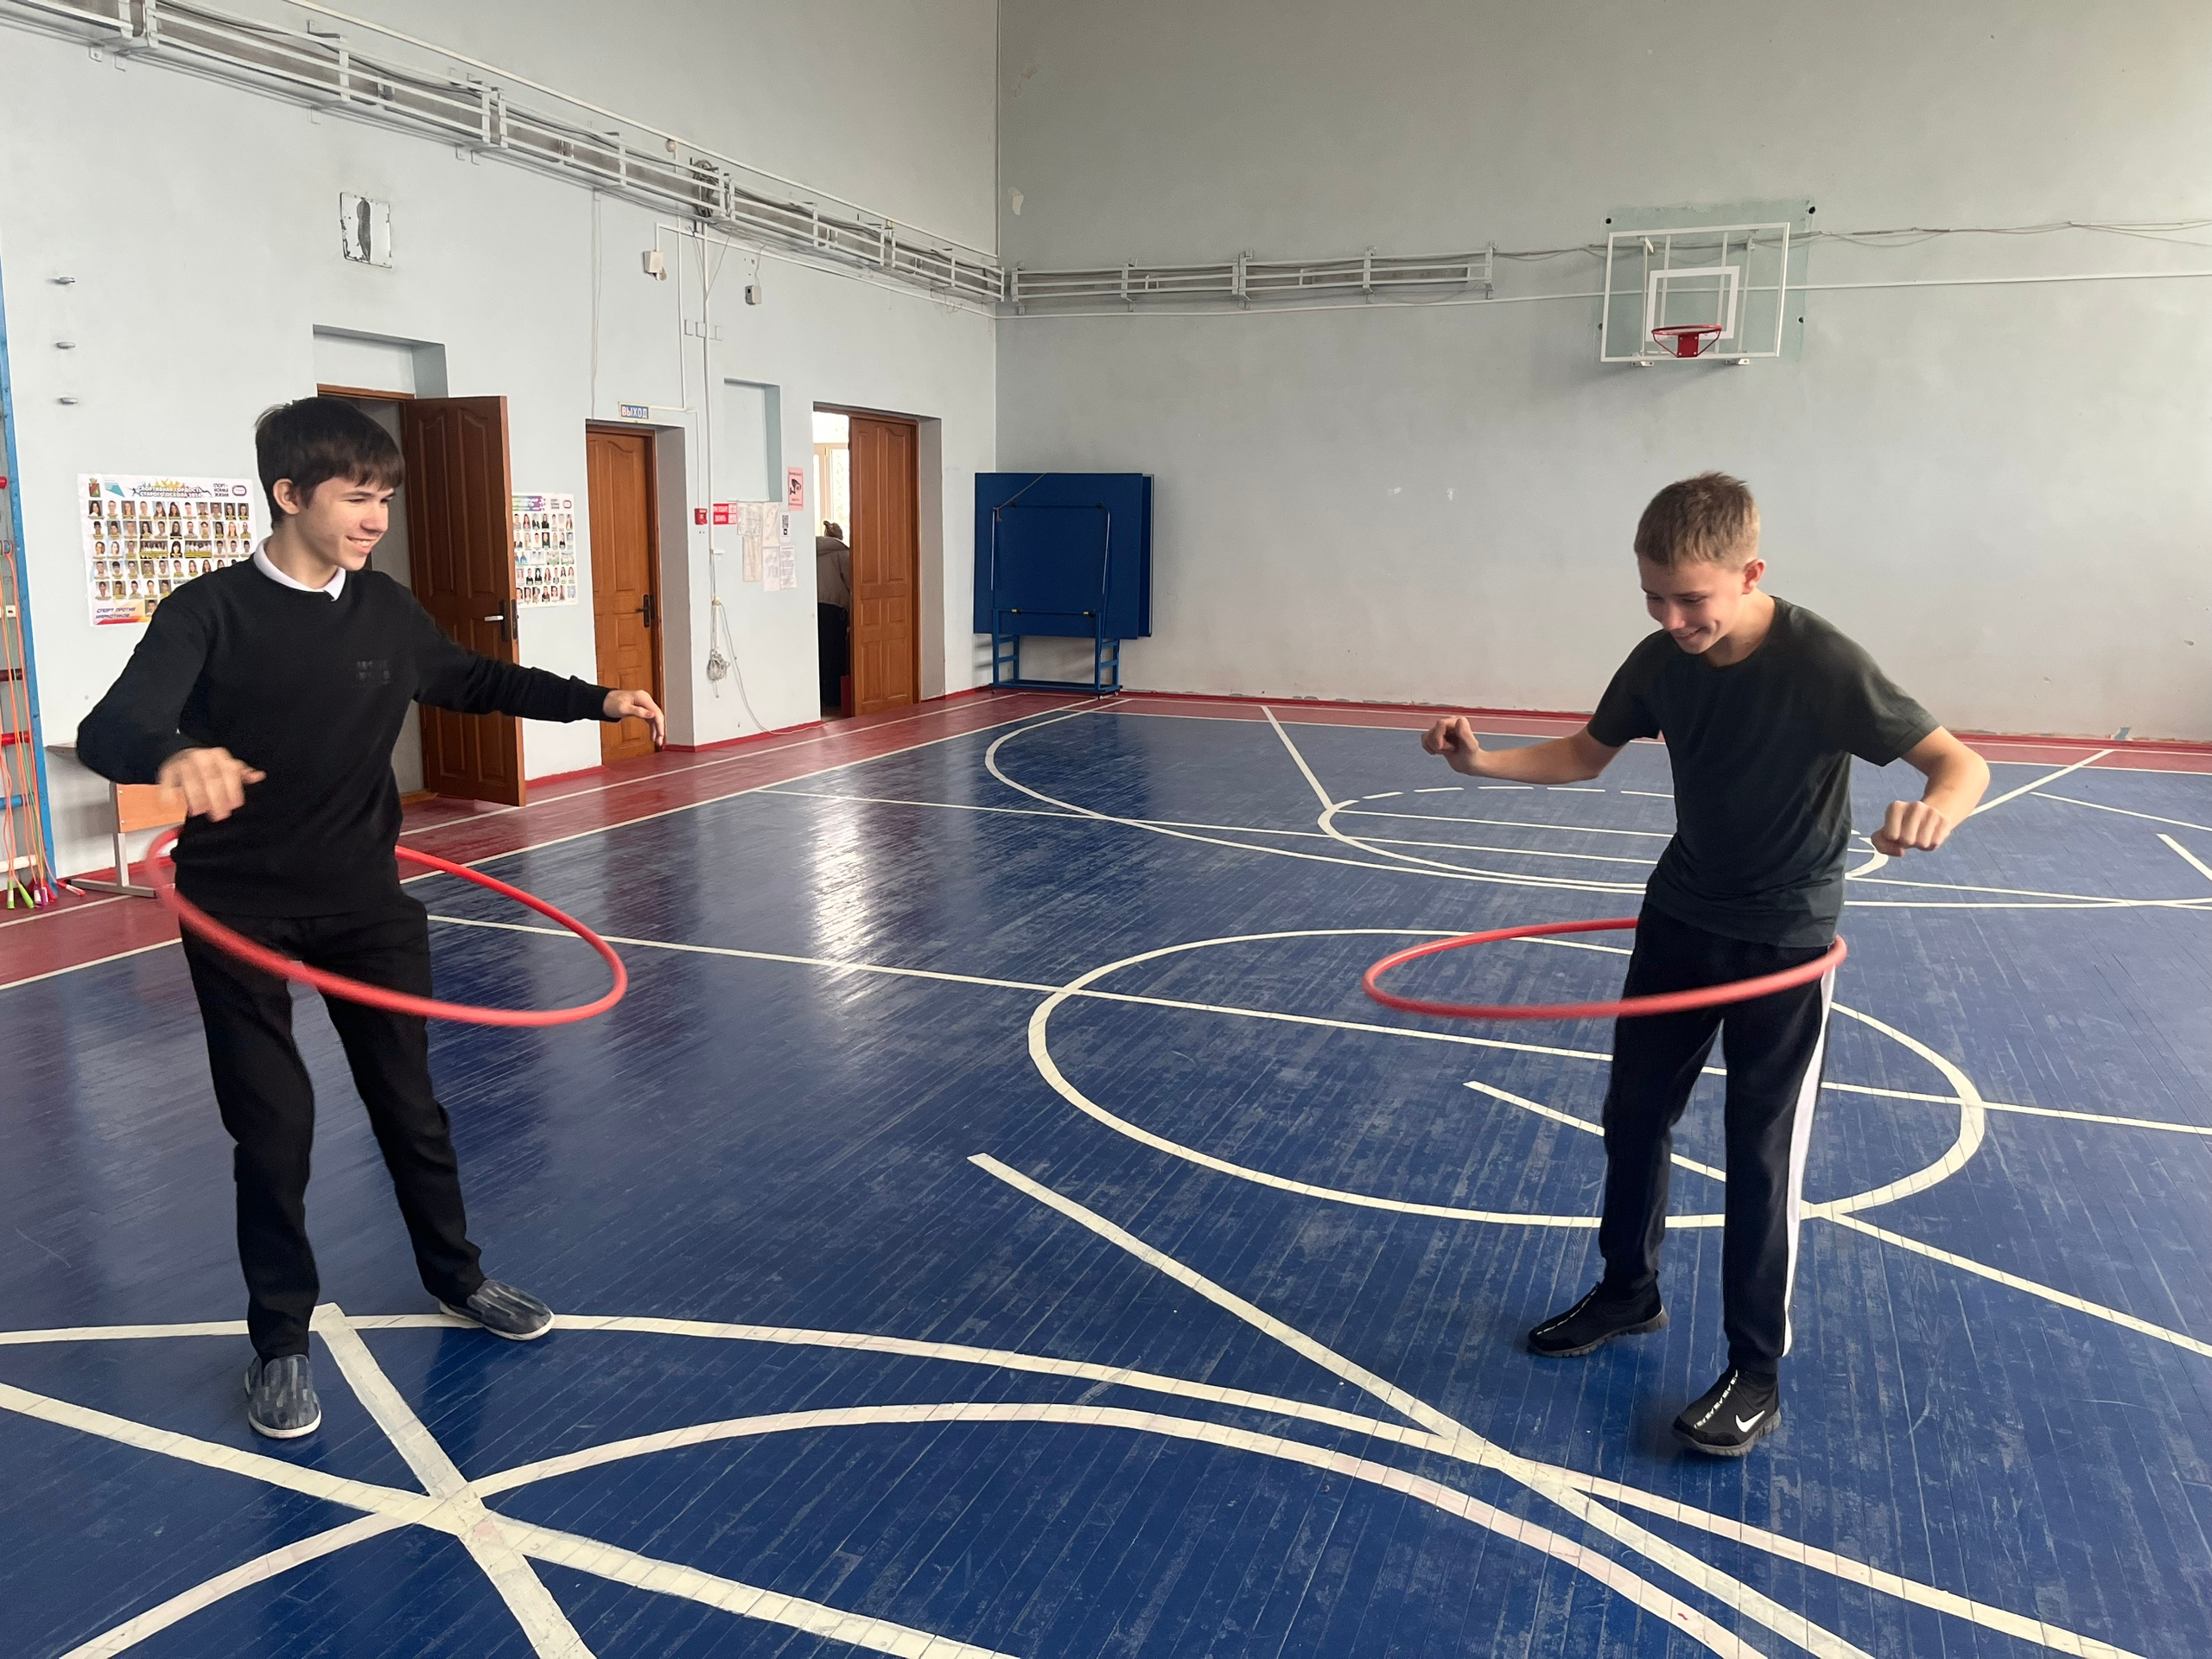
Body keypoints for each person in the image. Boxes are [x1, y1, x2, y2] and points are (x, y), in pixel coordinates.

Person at [79, 397, 664, 1442]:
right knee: (273, 1131)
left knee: (413, 1108)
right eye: (358, 497)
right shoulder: (208, 612)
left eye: (385, 497)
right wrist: (174, 755)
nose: (377, 517)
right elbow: (111, 728)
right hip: (238, 909)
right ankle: (280, 1343)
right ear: (288, 493)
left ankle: (458, 1277)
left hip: (365, 904)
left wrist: (597, 699)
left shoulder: (385, 610)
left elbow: (473, 679)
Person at [1421, 472, 1987, 1456]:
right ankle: (1626, 1292)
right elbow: (1583, 754)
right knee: (1633, 1115)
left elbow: (1960, 763)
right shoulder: (1660, 659)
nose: (1672, 619)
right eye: (1654, 597)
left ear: (1749, 573)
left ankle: (1754, 1370)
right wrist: (1478, 763)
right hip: (1679, 920)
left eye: (1692, 600)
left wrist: (1934, 809)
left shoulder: (1821, 661)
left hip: (1784, 940)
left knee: (1759, 1155)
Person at [816, 519, 853, 709]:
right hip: (835, 607)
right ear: (839, 536)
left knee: (821, 652)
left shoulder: (815, 552)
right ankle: (834, 697)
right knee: (836, 653)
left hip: (816, 607)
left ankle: (821, 695)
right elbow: (851, 582)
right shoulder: (842, 552)